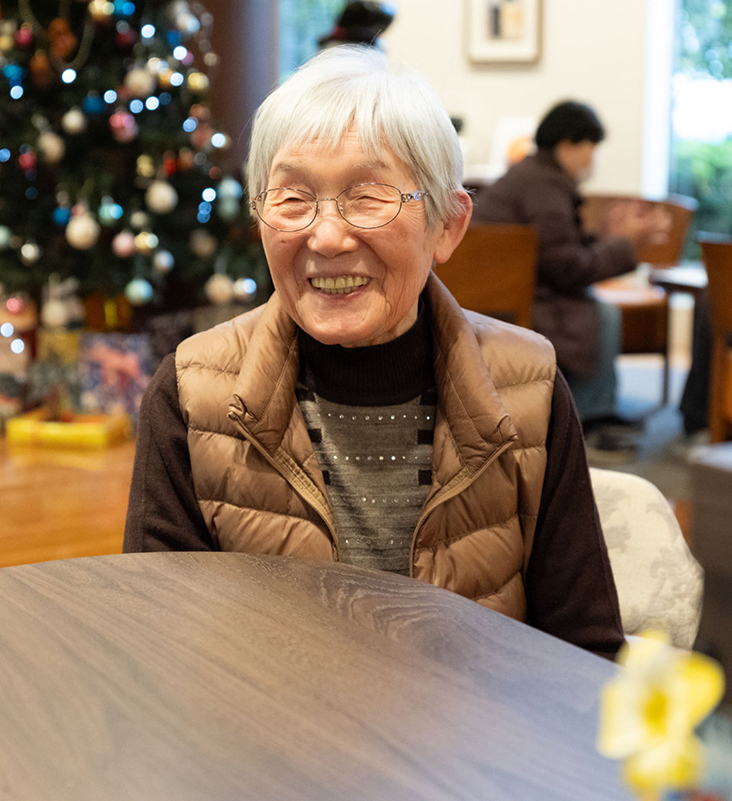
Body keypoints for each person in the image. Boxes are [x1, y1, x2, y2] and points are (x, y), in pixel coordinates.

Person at [125, 49, 623, 658]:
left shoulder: (529, 388)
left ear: (448, 224)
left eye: (367, 196)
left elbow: (586, 655)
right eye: (292, 198)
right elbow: (156, 654)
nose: (327, 235)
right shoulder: (192, 393)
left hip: (471, 746)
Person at [472, 100, 671, 454]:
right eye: (589, 147)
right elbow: (568, 270)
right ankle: (589, 418)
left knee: (597, 308)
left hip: (505, 291)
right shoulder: (543, 183)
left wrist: (613, 238)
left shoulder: (536, 175)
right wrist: (624, 243)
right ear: (567, 144)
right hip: (508, 300)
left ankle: (595, 410)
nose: (591, 159)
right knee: (600, 312)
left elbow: (561, 253)